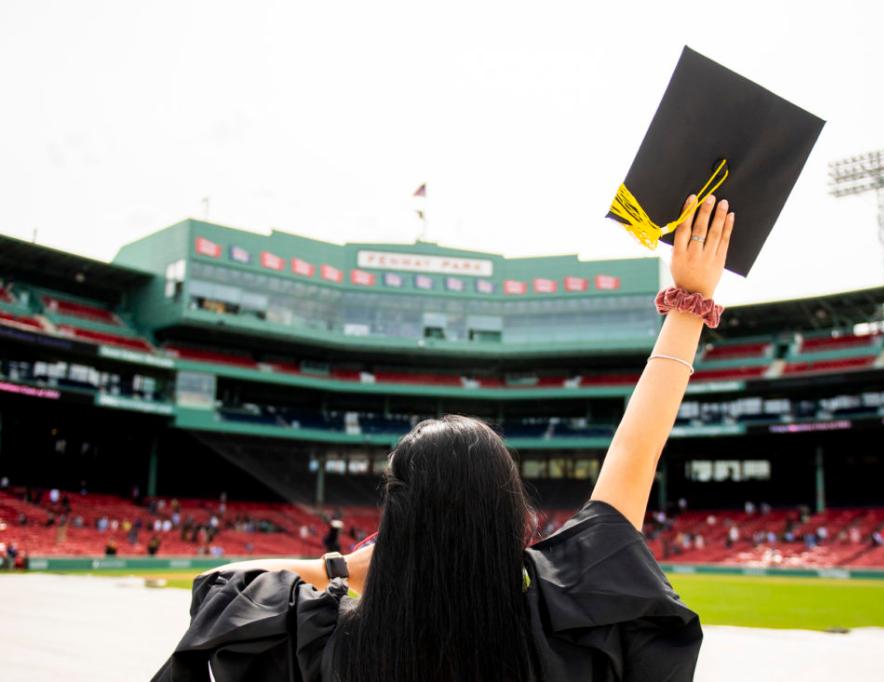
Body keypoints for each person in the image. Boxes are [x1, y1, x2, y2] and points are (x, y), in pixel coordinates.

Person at [152, 195, 733, 681]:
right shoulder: (560, 631)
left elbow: (227, 586)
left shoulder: (332, 643)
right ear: (509, 513)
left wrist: (354, 567)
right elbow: (633, 456)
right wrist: (688, 302)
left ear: (397, 520)